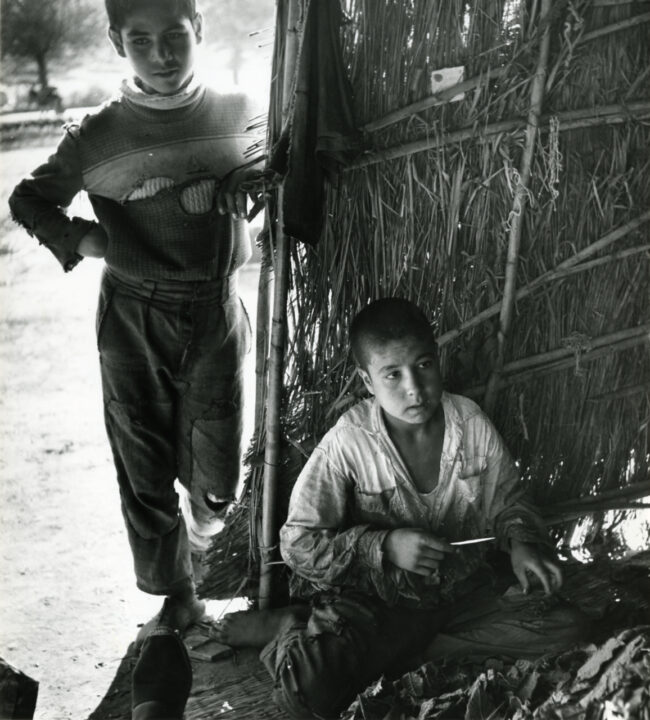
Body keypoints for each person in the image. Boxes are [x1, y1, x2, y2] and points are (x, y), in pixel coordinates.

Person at [9, 0, 264, 641]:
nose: (163, 55)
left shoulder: (239, 114)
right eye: (142, 40)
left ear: (198, 29)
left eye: (175, 35)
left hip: (215, 312)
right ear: (117, 42)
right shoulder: (96, 135)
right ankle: (177, 595)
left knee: (217, 473)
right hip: (131, 316)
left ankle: (206, 558)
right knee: (143, 465)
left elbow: (271, 179)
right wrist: (81, 238)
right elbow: (28, 197)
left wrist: (250, 188)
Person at [212, 298, 589, 719]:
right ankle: (291, 626)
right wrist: (384, 547)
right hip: (375, 606)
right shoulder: (350, 442)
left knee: (568, 628)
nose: (414, 387)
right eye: (393, 374)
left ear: (437, 359)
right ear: (367, 380)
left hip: (461, 595)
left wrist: (520, 542)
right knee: (308, 693)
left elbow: (509, 500)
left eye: (423, 365)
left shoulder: (469, 423)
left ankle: (399, 655)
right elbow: (298, 544)